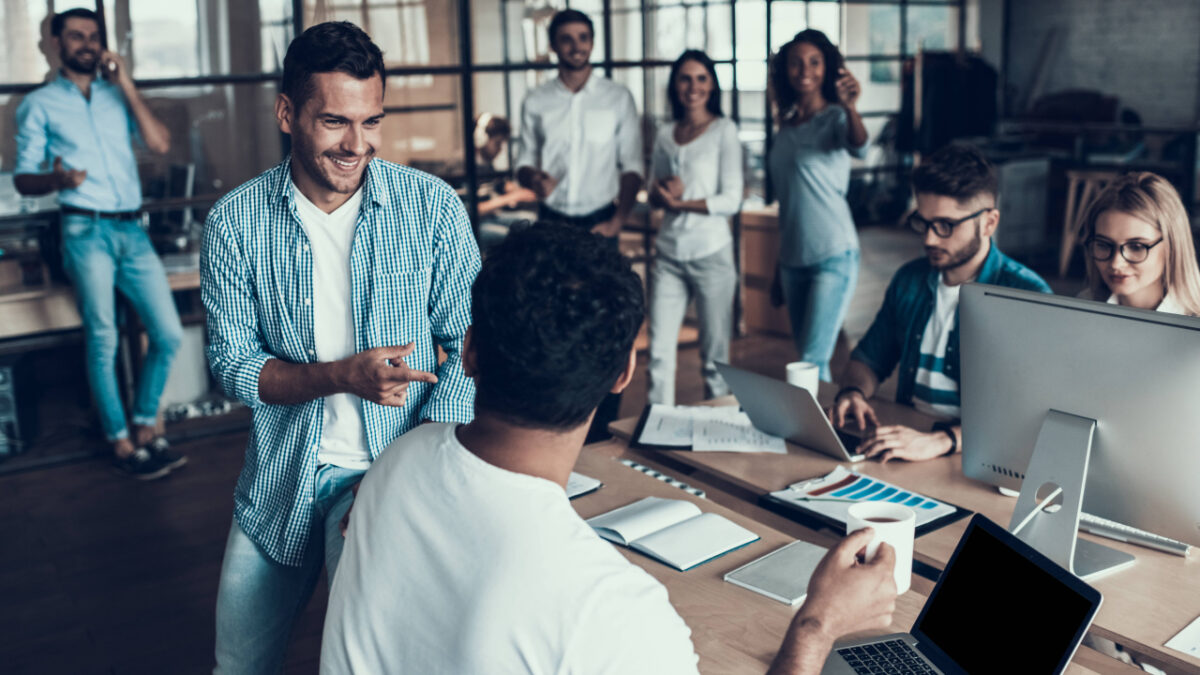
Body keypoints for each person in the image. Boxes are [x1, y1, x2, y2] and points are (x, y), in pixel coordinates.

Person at [320, 222, 898, 674]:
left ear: (468, 351)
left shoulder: (398, 460)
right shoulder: (610, 609)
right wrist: (817, 628)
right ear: (624, 372)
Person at [199, 22, 479, 673]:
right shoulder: (235, 222)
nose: (358, 144)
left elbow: (470, 347)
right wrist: (339, 377)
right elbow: (233, 366)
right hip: (279, 479)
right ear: (287, 113)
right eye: (334, 122)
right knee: (236, 665)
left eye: (371, 121)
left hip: (391, 473)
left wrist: (407, 479)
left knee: (363, 664)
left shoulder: (432, 208)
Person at [14, 7, 184, 480]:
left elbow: (160, 143)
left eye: (93, 36)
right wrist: (56, 179)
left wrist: (125, 83)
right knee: (104, 336)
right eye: (76, 36)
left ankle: (146, 423)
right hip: (84, 230)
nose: (86, 44)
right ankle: (121, 440)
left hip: (132, 230)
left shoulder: (116, 97)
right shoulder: (38, 105)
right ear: (55, 44)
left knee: (168, 333)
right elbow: (24, 179)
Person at [828, 144, 1052, 462]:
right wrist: (853, 391)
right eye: (923, 223)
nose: (929, 239)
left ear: (989, 223)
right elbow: (868, 359)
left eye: (945, 225)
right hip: (912, 440)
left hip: (980, 453)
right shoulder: (910, 279)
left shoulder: (1029, 296)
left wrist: (943, 441)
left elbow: (1031, 415)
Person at [768, 29, 868, 382]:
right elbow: (788, 202)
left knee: (812, 361)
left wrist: (851, 107)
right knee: (806, 359)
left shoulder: (837, 119)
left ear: (827, 68)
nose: (805, 70)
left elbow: (860, 144)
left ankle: (816, 420)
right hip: (791, 260)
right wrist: (778, 267)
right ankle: (816, 416)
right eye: (796, 63)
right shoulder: (785, 125)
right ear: (786, 70)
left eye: (814, 62)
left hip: (833, 255)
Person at [646, 50, 743, 405]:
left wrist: (681, 203)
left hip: (711, 255)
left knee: (715, 360)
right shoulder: (665, 134)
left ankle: (718, 429)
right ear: (675, 84)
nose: (693, 86)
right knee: (658, 355)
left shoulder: (724, 131)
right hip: (668, 255)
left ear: (712, 84)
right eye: (685, 78)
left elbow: (732, 199)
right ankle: (656, 428)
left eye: (701, 78)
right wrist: (662, 192)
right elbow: (653, 193)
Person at [515, 9, 642, 243]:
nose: (576, 47)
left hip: (601, 219)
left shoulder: (618, 97)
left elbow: (632, 165)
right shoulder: (535, 100)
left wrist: (618, 221)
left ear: (592, 43)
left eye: (583, 38)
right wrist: (534, 179)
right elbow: (524, 162)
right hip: (550, 219)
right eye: (567, 39)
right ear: (553, 45)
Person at [1077, 171, 1200, 316]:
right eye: (1103, 245)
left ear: (1172, 246)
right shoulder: (1083, 305)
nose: (1116, 264)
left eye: (1136, 247)